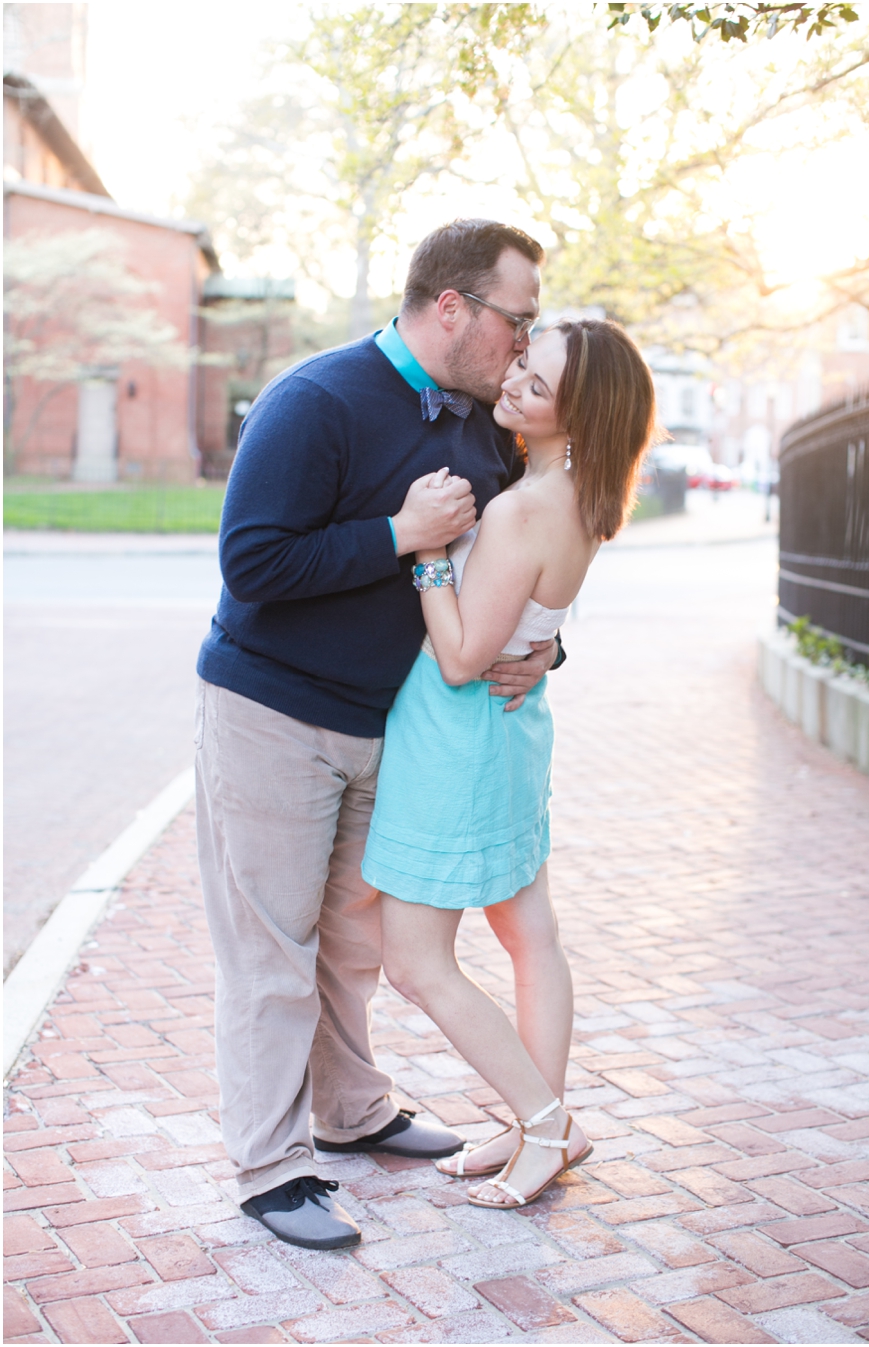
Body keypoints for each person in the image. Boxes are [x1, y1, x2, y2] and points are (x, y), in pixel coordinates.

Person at [195, 220, 565, 1250]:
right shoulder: (316, 400)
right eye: (515, 320)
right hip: (271, 713)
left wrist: (547, 655)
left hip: (388, 724)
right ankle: (272, 1171)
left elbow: (512, 575)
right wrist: (399, 536)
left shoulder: (486, 427)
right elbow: (252, 566)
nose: (523, 345)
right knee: (272, 950)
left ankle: (352, 1112)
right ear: (452, 308)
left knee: (353, 944)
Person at [363, 318, 657, 1209]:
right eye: (525, 359)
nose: (517, 377)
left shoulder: (524, 505)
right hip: (513, 731)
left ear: (583, 412)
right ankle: (539, 1119)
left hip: (461, 740)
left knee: (414, 960)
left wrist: (421, 555)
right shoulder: (581, 493)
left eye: (540, 378)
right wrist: (542, 643)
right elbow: (532, 621)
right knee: (531, 935)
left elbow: (459, 657)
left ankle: (546, 1122)